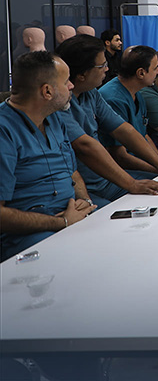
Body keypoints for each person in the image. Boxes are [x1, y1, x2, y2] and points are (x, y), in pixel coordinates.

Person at [0, 52, 98, 260]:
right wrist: (62, 222)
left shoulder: (54, 119)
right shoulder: (4, 131)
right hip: (29, 235)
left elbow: (72, 172)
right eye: (66, 81)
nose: (71, 86)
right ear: (47, 91)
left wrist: (84, 200)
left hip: (71, 217)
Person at [54, 36, 158, 205]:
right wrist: (132, 184)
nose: (107, 68)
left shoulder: (91, 93)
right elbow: (85, 146)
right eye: (102, 65)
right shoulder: (59, 104)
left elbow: (124, 129)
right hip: (85, 189)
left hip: (105, 180)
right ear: (82, 75)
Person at [98, 46, 158, 175]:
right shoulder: (113, 99)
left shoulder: (136, 92)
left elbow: (144, 136)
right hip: (123, 166)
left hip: (140, 156)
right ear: (141, 73)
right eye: (155, 68)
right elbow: (120, 156)